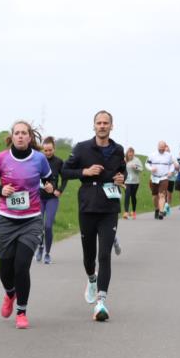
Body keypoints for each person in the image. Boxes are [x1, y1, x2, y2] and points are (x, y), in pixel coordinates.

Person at [0, 120, 53, 329]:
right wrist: (0, 190)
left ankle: (21, 311)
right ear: (12, 136)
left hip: (31, 220)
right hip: (6, 219)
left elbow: (50, 180)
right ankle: (10, 294)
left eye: (24, 133)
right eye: (17, 133)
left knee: (22, 266)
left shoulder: (40, 159)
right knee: (6, 269)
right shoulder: (2, 158)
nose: (21, 136)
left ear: (30, 137)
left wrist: (49, 188)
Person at [62, 110, 126, 322]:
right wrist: (85, 172)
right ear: (93, 126)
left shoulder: (118, 150)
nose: (102, 126)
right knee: (89, 256)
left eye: (105, 123)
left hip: (109, 208)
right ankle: (91, 279)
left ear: (111, 126)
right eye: (99, 123)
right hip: (88, 207)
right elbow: (64, 170)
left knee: (104, 255)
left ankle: (101, 302)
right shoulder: (82, 148)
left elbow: (122, 171)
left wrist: (120, 177)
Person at [36, 136, 67, 264]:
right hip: (39, 197)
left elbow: (65, 177)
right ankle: (40, 247)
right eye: (45, 150)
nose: (48, 153)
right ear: (42, 150)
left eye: (50, 150)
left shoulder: (59, 162)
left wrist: (59, 190)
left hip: (52, 199)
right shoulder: (38, 161)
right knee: (38, 226)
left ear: (54, 149)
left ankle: (47, 253)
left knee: (48, 226)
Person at [145, 140, 177, 220]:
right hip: (154, 177)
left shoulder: (169, 156)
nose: (162, 149)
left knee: (162, 195)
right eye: (160, 148)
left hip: (164, 177)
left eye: (163, 148)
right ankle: (156, 209)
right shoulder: (152, 155)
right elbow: (147, 164)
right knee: (155, 196)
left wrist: (170, 171)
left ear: (164, 147)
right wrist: (151, 168)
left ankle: (161, 212)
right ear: (157, 147)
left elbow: (172, 165)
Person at [123, 147, 143, 220]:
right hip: (126, 181)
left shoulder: (137, 160)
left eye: (132, 153)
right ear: (127, 153)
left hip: (135, 182)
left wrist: (136, 167)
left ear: (133, 154)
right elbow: (121, 168)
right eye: (129, 153)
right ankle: (126, 212)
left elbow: (141, 169)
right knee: (127, 195)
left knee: (133, 196)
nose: (130, 154)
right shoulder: (125, 160)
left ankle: (134, 212)